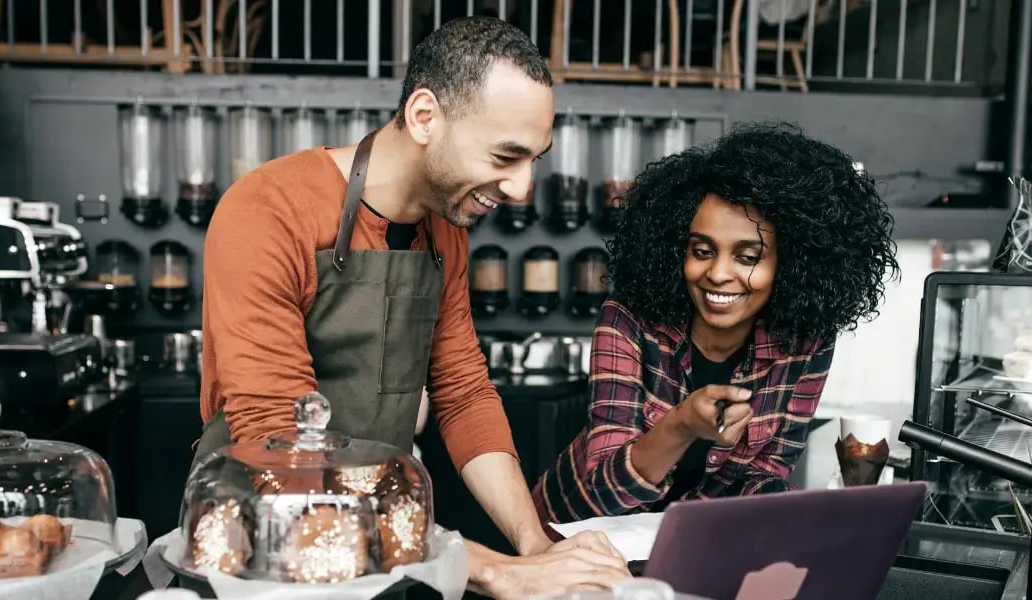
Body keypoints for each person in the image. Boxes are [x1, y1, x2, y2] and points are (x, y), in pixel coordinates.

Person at [198, 15, 630, 598]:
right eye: (506, 156)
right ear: (425, 116)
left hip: (386, 550)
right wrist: (493, 569)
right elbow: (282, 449)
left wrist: (536, 546)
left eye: (535, 159)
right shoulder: (268, 210)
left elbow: (462, 390)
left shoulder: (444, 230)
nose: (524, 189)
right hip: (261, 547)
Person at [533, 122, 900, 524]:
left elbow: (766, 471)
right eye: (702, 250)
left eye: (747, 257)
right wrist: (682, 424)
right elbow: (604, 490)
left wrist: (806, 512)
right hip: (572, 534)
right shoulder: (628, 319)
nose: (718, 274)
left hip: (689, 541)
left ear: (792, 264)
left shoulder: (805, 340)